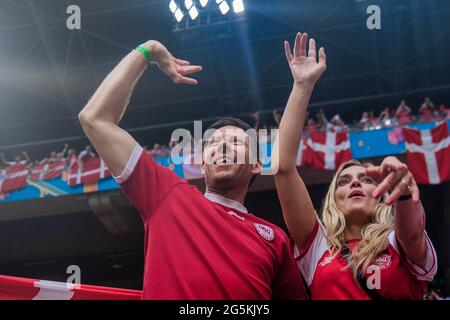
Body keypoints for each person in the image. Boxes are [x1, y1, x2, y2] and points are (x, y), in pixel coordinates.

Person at [78, 39, 306, 299]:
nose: (222, 147)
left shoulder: (275, 239)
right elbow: (95, 119)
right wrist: (148, 50)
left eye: (235, 142)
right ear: (202, 162)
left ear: (256, 164)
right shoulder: (167, 195)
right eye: (213, 143)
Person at [273, 32, 437, 300]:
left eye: (367, 179)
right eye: (344, 181)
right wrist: (302, 86)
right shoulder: (317, 246)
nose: (356, 183)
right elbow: (282, 168)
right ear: (333, 201)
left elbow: (410, 231)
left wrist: (403, 191)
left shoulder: (397, 243)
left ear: (384, 197)